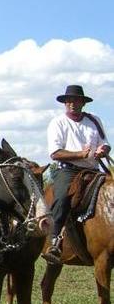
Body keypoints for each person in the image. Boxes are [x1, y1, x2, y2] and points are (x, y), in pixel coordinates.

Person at [43, 85, 109, 264]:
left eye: (76, 100)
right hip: (68, 170)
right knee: (62, 197)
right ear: (65, 103)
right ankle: (55, 241)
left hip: (93, 169)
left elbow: (106, 143)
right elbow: (55, 153)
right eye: (69, 100)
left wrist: (103, 150)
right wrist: (80, 154)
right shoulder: (58, 122)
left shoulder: (94, 120)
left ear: (83, 103)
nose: (72, 103)